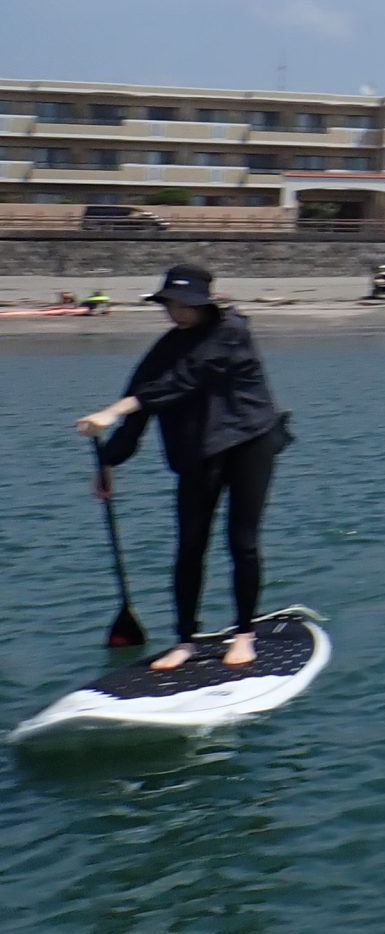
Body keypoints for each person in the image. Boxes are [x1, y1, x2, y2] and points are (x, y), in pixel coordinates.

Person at [74, 264, 291, 670]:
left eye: (181, 303)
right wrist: (109, 462)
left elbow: (184, 381)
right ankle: (185, 640)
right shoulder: (167, 346)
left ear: (202, 303)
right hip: (198, 452)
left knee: (241, 542)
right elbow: (143, 396)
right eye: (169, 303)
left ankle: (244, 634)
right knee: (190, 545)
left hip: (250, 442)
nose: (173, 311)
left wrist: (114, 410)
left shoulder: (232, 331)